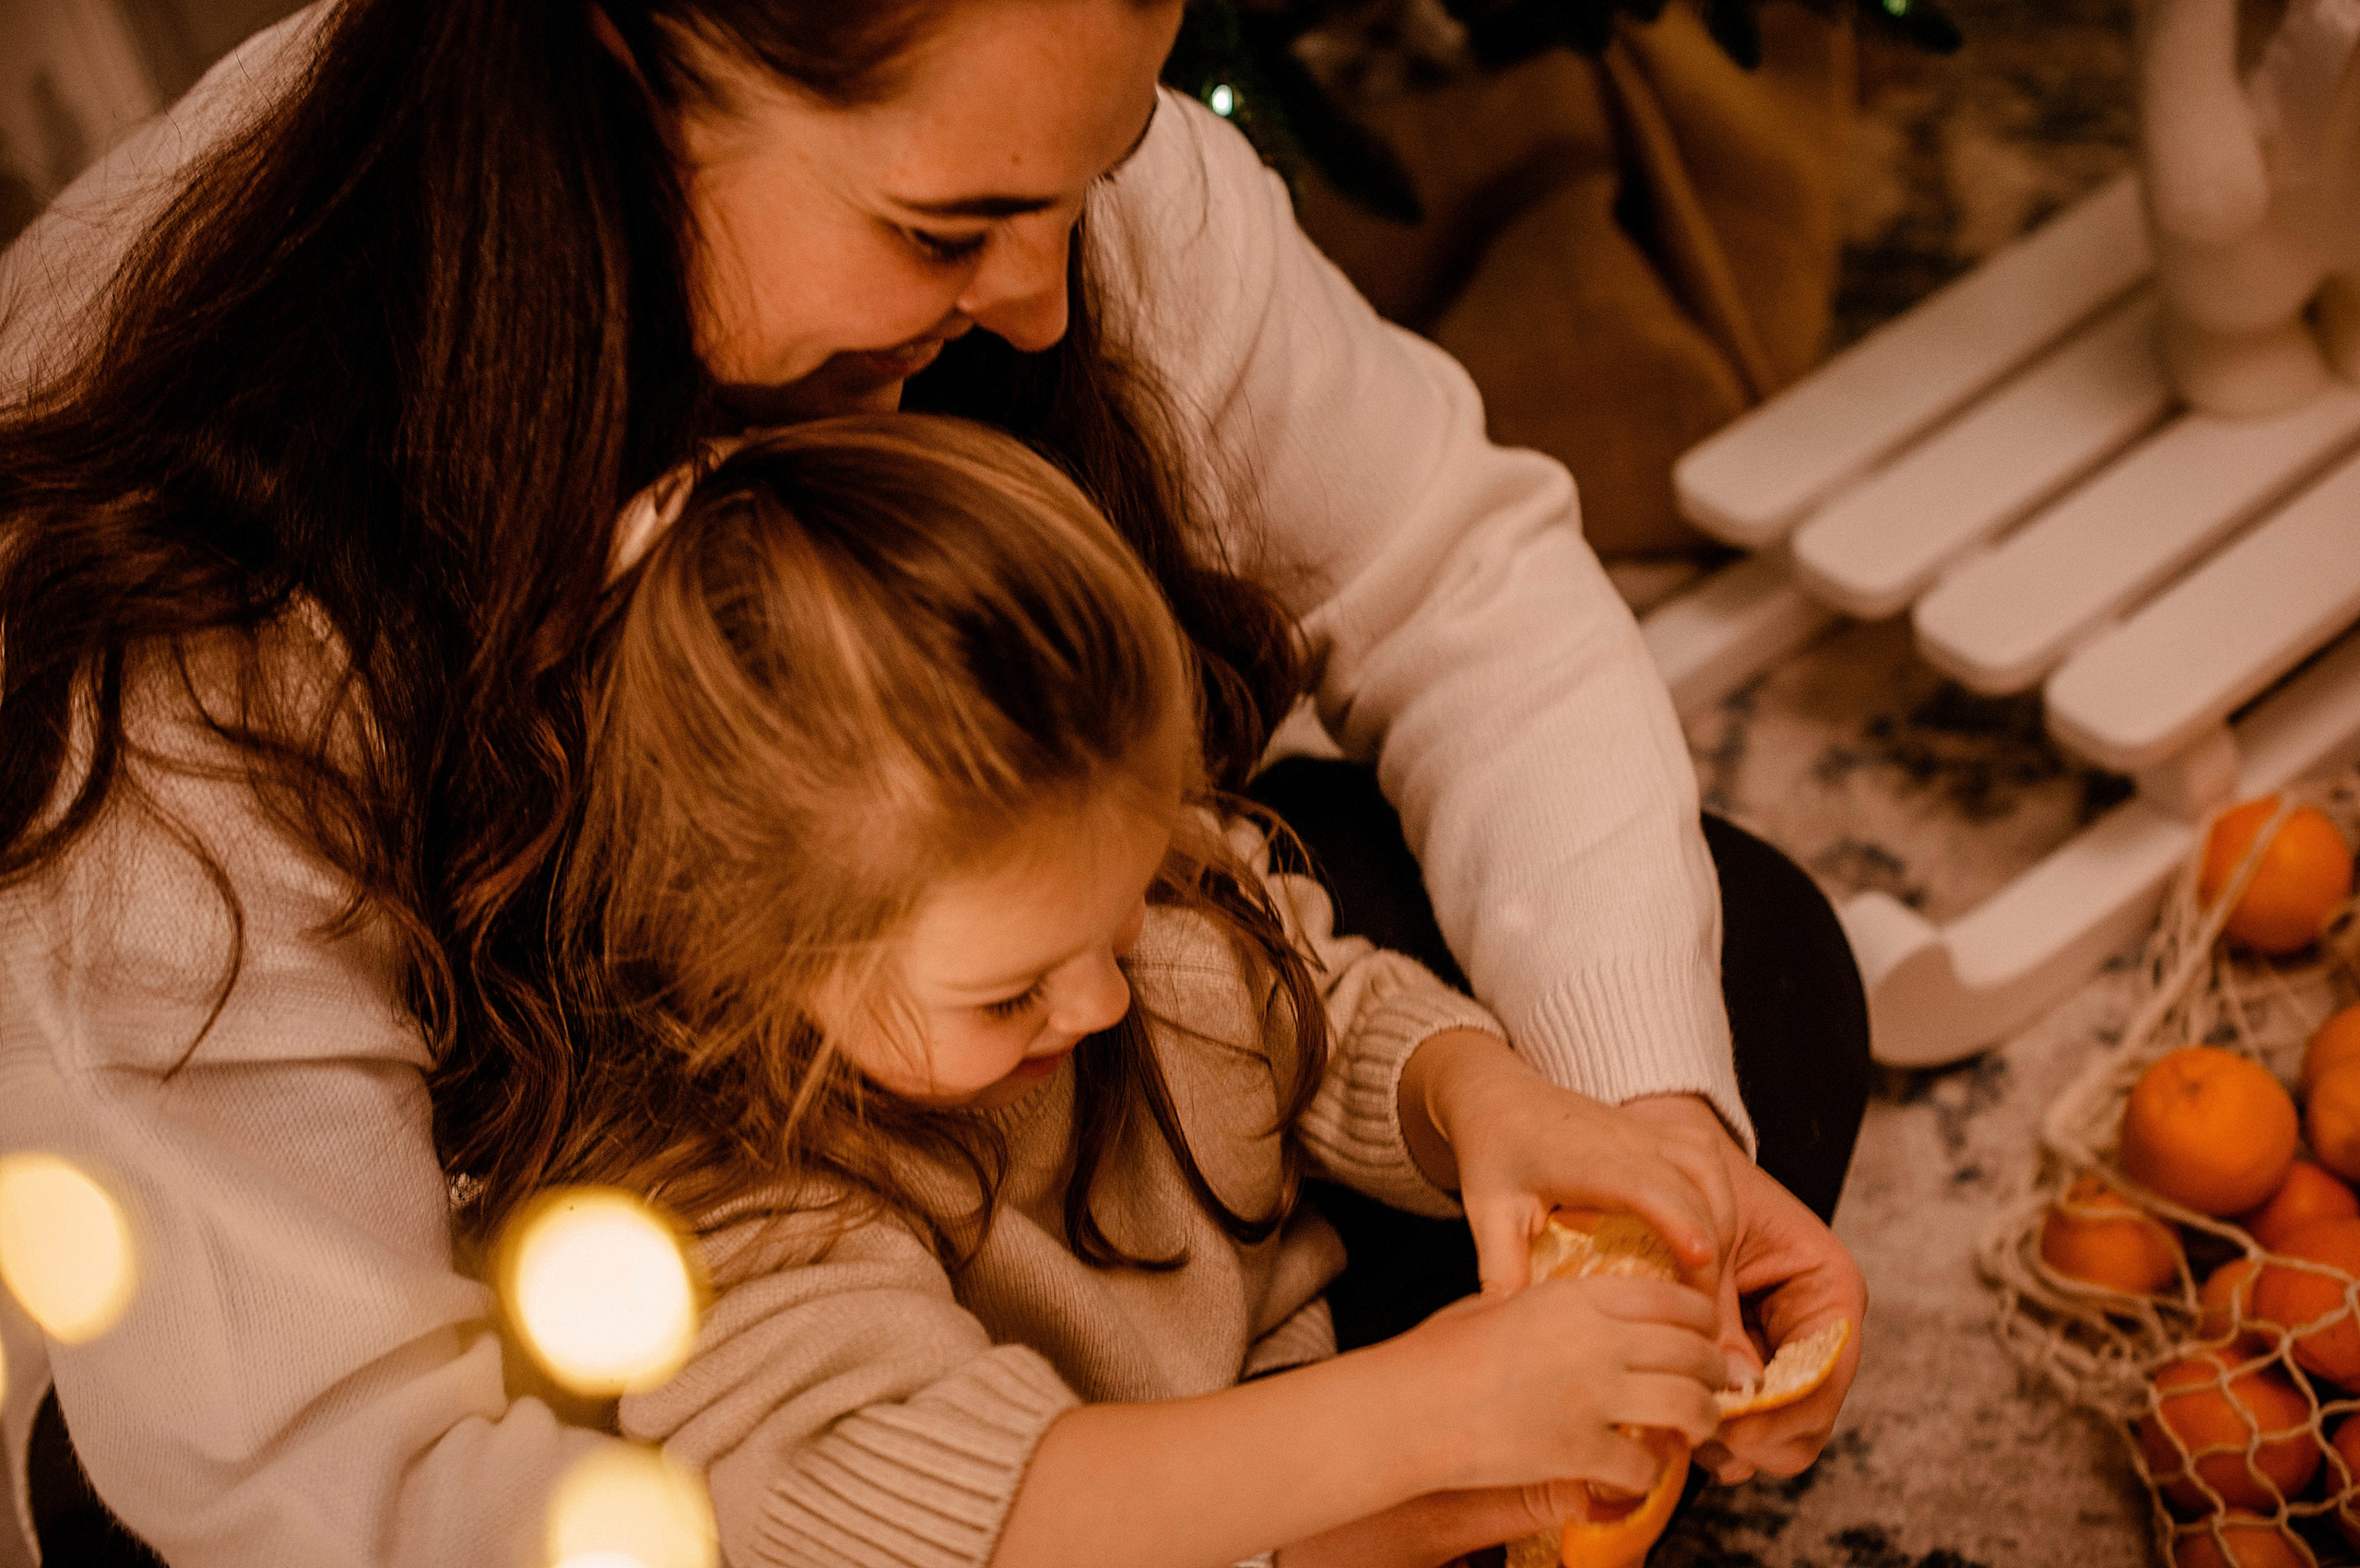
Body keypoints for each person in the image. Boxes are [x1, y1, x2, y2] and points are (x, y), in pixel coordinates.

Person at [0, 1, 1868, 1563]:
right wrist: (1376, 1444)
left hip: (1051, 1202)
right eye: (944, 229)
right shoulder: (183, 584)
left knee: (1750, 964)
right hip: (591, 1440)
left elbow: (1439, 598)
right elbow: (354, 1468)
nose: (1044, 305)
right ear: (630, 75)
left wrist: (1619, 1132)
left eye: (1094, 172)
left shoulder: (1030, 138)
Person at [567, 413, 1732, 1566]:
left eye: (1119, 923)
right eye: (1010, 994)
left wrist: (1480, 1099)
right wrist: (1423, 1418)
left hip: (1303, 1420)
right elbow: (946, 1521)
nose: (1099, 1006)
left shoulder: (1126, 913)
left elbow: (1309, 1001)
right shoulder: (733, 1218)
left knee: (1767, 991)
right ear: (755, 955)